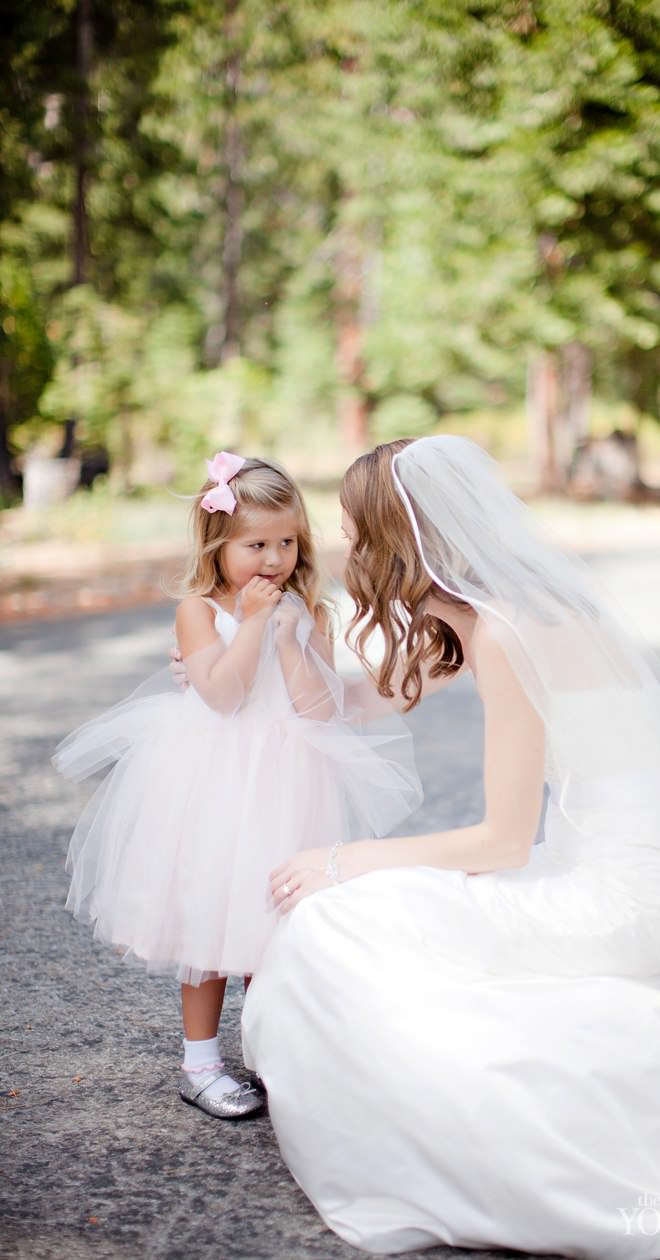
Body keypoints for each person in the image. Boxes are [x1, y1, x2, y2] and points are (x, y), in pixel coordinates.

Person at [241, 435, 660, 1256]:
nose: (347, 548)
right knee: (343, 917)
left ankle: (415, 1131)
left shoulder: (507, 631)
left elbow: (501, 842)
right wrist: (271, 642)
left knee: (334, 920)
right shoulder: (489, 612)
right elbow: (363, 701)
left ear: (404, 537)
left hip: (623, 897)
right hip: (604, 865)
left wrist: (343, 859)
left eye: (358, 530)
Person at [54, 453, 420, 1121]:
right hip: (218, 780)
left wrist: (289, 639)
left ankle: (275, 1054)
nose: (273, 559)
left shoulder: (310, 609)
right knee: (212, 917)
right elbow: (223, 696)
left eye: (287, 542)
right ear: (218, 545)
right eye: (256, 545)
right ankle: (200, 1065)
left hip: (293, 781)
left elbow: (320, 710)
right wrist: (251, 624)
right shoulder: (199, 612)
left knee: (277, 926)